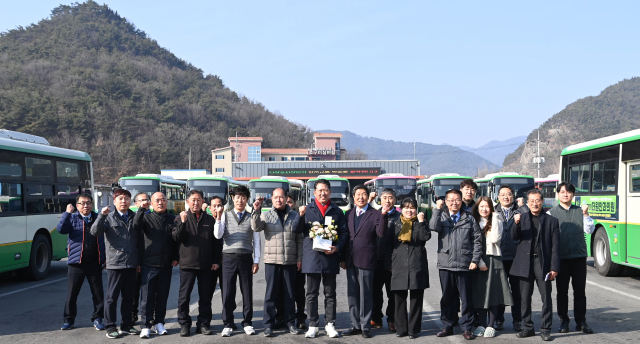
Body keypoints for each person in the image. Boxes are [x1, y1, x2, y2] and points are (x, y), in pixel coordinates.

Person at [297, 179, 349, 338]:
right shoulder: (307, 210)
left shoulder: (337, 211)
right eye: (320, 190)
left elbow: (345, 233)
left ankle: (330, 324)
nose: (322, 193)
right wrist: (300, 216)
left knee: (330, 293)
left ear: (330, 192)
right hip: (312, 257)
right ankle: (312, 324)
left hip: (330, 256)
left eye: (325, 190)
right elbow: (298, 231)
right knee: (311, 293)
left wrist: (337, 248)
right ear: (314, 193)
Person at [429, 189, 482, 340]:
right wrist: (437, 210)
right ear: (445, 201)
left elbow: (477, 241)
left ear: (461, 200)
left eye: (457, 199)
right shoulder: (442, 216)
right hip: (445, 264)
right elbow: (433, 227)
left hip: (465, 264)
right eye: (451, 200)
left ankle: (467, 328)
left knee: (466, 298)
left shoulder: (469, 218)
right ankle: (447, 326)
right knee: (447, 297)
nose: (454, 202)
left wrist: (475, 260)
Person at [90, 189, 142, 339]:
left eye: (126, 198)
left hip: (131, 263)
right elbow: (94, 232)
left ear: (130, 201)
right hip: (115, 263)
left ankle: (126, 325)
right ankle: (110, 326)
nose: (123, 201)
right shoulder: (108, 218)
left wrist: (138, 261)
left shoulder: (134, 217)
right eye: (120, 198)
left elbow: (138, 240)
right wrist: (101, 216)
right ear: (114, 201)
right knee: (112, 297)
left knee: (129, 297)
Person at [252, 188, 303, 337]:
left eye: (281, 197)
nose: (278, 200)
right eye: (276, 197)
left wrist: (299, 258)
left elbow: (299, 239)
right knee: (270, 294)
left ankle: (290, 323)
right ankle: (268, 324)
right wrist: (256, 211)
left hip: (289, 260)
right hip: (272, 261)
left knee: (289, 294)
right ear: (272, 199)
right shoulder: (266, 215)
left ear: (286, 198)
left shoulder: (295, 216)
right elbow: (256, 227)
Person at [510, 189, 559, 341]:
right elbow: (514, 237)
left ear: (542, 201)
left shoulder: (552, 221)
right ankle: (528, 327)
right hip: (524, 263)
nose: (535, 203)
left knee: (546, 297)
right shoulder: (522, 218)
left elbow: (555, 247)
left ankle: (545, 328)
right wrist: (516, 224)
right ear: (527, 203)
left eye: (537, 200)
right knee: (524, 297)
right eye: (531, 201)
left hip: (542, 263)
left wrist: (554, 268)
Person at [342, 185, 390, 339]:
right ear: (353, 197)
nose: (360, 197)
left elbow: (381, 234)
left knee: (366, 294)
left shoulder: (375, 213)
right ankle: (355, 325)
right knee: (352, 294)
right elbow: (345, 237)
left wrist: (383, 216)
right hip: (350, 259)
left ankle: (365, 326)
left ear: (368, 196)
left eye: (364, 194)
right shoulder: (348, 214)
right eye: (358, 194)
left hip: (367, 259)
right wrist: (342, 258)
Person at [213, 185, 261, 337]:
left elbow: (256, 240)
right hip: (228, 258)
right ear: (232, 199)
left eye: (243, 197)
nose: (240, 200)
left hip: (246, 257)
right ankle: (227, 323)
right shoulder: (225, 215)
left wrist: (257, 260)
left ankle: (247, 322)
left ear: (247, 199)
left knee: (247, 292)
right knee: (228, 291)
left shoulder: (251, 216)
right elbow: (218, 235)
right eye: (237, 197)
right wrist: (219, 217)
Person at [173, 189, 221, 337]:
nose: (196, 202)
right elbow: (176, 238)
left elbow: (216, 243)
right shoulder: (181, 217)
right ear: (188, 201)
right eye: (193, 199)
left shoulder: (209, 220)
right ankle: (184, 324)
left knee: (205, 297)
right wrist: (182, 222)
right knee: (184, 297)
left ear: (202, 202)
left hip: (206, 265)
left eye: (198, 199)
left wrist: (215, 261)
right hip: (187, 264)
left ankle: (203, 324)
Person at [548, 182, 595, 334]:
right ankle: (564, 321)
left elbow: (589, 230)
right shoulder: (551, 213)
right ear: (558, 194)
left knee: (580, 291)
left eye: (568, 192)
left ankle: (581, 321)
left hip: (579, 257)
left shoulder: (580, 211)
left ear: (573, 194)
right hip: (561, 259)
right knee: (562, 291)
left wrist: (586, 214)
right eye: (562, 192)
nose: (565, 194)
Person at [58, 193, 106, 331]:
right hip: (76, 262)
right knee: (72, 293)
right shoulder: (72, 218)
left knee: (97, 293)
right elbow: (61, 229)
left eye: (88, 203)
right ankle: (69, 319)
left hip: (94, 262)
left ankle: (98, 318)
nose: (86, 205)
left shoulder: (98, 218)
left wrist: (105, 259)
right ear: (77, 205)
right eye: (82, 203)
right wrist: (67, 213)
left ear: (92, 204)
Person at [387, 198, 431, 339]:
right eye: (406, 207)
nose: (409, 210)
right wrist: (390, 265)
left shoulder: (421, 223)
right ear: (401, 209)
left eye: (412, 207)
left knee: (416, 299)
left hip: (416, 264)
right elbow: (388, 246)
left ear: (416, 209)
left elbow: (424, 237)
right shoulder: (395, 224)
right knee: (399, 299)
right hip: (398, 264)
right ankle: (401, 329)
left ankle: (413, 330)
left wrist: (421, 222)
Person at [470, 197, 513, 338]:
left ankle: (491, 324)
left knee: (494, 294)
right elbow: (469, 244)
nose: (484, 209)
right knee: (480, 294)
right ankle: (482, 324)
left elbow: (495, 239)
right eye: (481, 206)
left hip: (494, 260)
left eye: (487, 206)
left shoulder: (497, 221)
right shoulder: (472, 222)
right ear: (477, 208)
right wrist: (479, 262)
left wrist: (494, 218)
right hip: (477, 261)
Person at [137, 192, 179, 338]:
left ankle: (159, 322)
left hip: (166, 265)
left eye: (163, 200)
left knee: (163, 295)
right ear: (152, 203)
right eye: (157, 200)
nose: (160, 203)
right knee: (147, 297)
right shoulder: (146, 218)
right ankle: (146, 325)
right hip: (149, 264)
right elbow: (136, 226)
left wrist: (175, 257)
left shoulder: (172, 219)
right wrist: (141, 210)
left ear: (167, 202)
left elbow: (176, 241)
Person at [494, 185, 523, 332]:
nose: (506, 197)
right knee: (500, 290)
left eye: (509, 194)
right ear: (498, 197)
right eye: (503, 194)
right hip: (498, 258)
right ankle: (499, 319)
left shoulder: (522, 211)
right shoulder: (492, 212)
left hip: (516, 258)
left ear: (513, 196)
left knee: (517, 291)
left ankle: (517, 320)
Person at [371, 189, 400, 332]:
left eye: (390, 198)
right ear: (380, 199)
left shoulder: (400, 217)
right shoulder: (374, 215)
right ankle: (376, 318)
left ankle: (392, 319)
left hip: (392, 262)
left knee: (392, 293)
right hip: (375, 261)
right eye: (384, 198)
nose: (387, 201)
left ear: (394, 199)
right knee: (375, 292)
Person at [288, 193, 308, 329]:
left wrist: (300, 259)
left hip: (297, 261)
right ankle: (284, 316)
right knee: (283, 291)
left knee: (299, 291)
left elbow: (301, 240)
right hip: (283, 261)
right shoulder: (277, 215)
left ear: (294, 203)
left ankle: (301, 317)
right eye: (286, 201)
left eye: (290, 202)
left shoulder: (299, 216)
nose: (288, 204)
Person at [131, 193, 150, 325]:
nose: (144, 202)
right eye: (141, 200)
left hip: (151, 261)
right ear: (136, 204)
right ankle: (132, 314)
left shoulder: (154, 216)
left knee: (150, 292)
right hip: (137, 260)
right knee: (134, 290)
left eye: (146, 200)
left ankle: (150, 316)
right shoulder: (134, 217)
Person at [206, 196, 225, 305]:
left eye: (219, 205)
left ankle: (228, 318)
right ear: (209, 208)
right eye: (214, 206)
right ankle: (205, 319)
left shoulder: (226, 220)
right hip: (210, 263)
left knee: (227, 292)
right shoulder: (206, 221)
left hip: (225, 262)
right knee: (207, 293)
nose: (217, 208)